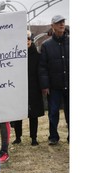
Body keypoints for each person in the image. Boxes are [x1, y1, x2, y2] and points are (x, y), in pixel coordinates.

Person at [38, 15, 69, 145]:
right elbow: (43, 67)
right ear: (53, 26)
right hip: (54, 86)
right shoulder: (46, 45)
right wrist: (45, 86)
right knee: (53, 112)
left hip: (71, 84)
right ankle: (53, 137)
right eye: (58, 23)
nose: (61, 24)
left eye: (63, 22)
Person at [11, 30, 44, 146]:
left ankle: (34, 137)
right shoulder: (15, 55)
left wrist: (42, 86)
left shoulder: (37, 55)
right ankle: (18, 137)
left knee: (33, 114)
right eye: (24, 39)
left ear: (31, 41)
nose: (27, 41)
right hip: (19, 88)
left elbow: (41, 72)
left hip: (34, 87)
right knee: (18, 114)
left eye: (28, 39)